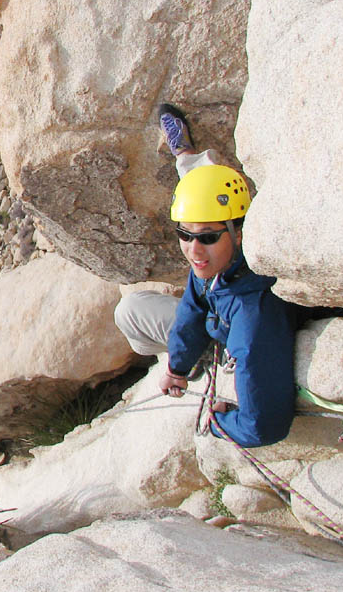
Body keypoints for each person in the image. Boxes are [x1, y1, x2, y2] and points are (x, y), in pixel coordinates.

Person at [113, 104, 297, 447]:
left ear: (240, 233)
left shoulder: (254, 317)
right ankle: (185, 156)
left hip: (232, 334)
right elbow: (193, 305)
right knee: (128, 311)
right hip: (220, 317)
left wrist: (218, 422)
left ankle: (196, 363)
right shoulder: (219, 256)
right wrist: (176, 368)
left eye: (208, 237)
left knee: (136, 324)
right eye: (185, 235)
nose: (194, 251)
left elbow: (263, 427)